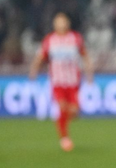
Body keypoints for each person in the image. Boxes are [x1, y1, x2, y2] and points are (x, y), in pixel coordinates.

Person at [29, 12, 94, 151]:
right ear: (54, 24)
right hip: (57, 81)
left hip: (73, 82)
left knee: (74, 112)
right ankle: (64, 138)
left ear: (68, 23)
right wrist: (33, 70)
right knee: (62, 107)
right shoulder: (49, 40)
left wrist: (89, 73)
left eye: (63, 21)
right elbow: (40, 57)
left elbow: (85, 56)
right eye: (58, 22)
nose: (61, 24)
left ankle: (63, 123)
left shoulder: (75, 38)